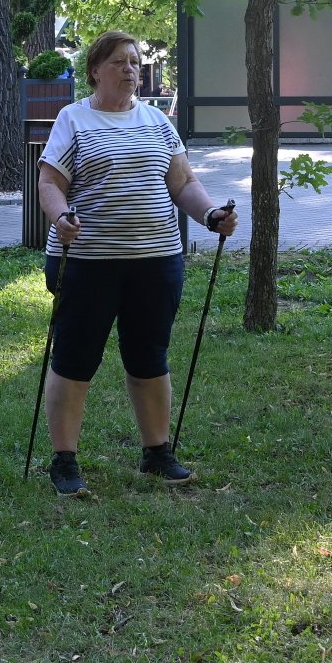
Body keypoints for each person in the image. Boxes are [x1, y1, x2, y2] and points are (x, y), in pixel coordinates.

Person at [34, 30, 241, 496]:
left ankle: (157, 452)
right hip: (87, 261)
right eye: (119, 62)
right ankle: (64, 460)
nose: (130, 69)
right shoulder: (74, 119)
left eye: (135, 61)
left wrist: (210, 215)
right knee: (75, 357)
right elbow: (50, 182)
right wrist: (60, 215)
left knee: (150, 355)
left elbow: (182, 181)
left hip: (156, 260)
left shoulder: (157, 121)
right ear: (95, 71)